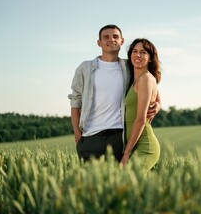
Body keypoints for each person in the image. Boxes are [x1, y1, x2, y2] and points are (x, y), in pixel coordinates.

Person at [68, 25, 160, 162]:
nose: (111, 39)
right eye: (106, 37)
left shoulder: (129, 67)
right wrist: (78, 136)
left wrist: (158, 103)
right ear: (99, 43)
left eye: (115, 36)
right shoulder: (85, 68)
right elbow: (75, 101)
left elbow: (150, 85)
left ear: (122, 41)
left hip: (118, 138)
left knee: (116, 183)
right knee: (90, 183)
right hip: (89, 138)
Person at [120, 38, 161, 173]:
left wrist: (126, 153)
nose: (137, 55)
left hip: (145, 146)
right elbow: (158, 99)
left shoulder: (146, 79)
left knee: (128, 184)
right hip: (134, 145)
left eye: (143, 52)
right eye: (135, 51)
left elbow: (140, 119)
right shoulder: (136, 78)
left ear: (150, 58)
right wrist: (158, 105)